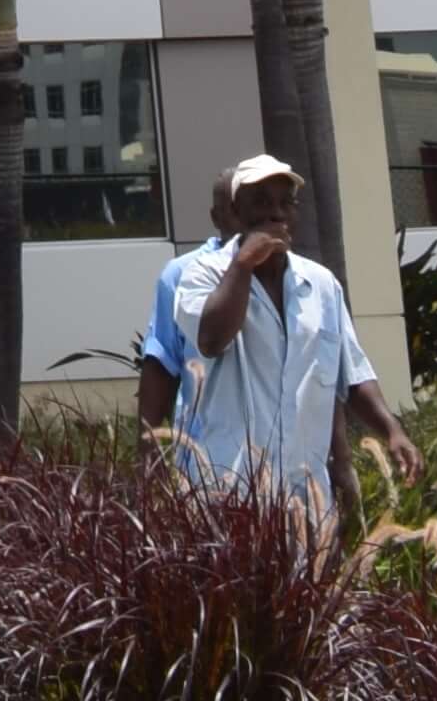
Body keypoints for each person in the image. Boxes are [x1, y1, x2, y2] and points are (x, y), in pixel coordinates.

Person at [136, 152, 396, 507]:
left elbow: (347, 376)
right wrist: (244, 263)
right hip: (229, 491)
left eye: (286, 203)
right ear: (235, 213)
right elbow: (210, 340)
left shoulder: (321, 285)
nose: (276, 213)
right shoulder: (200, 274)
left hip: (306, 494)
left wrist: (391, 433)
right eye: (261, 202)